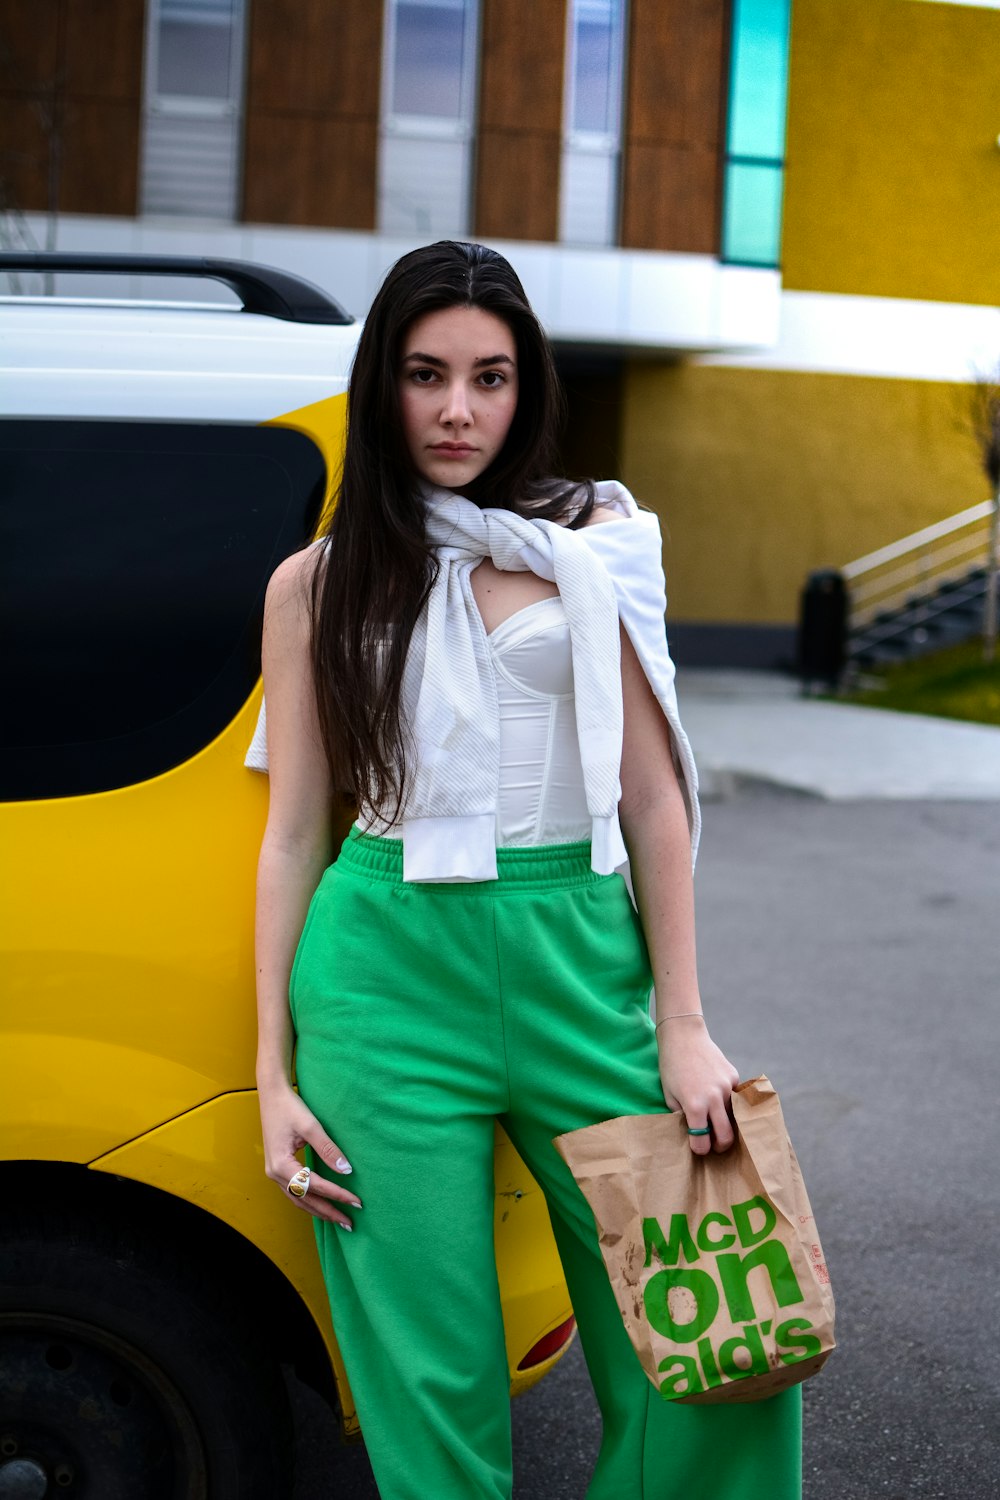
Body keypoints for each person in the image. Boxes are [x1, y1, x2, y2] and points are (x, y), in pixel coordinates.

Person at [250, 240, 801, 1500]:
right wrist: (271, 1072)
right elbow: (293, 834)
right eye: (426, 374)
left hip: (577, 953)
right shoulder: (317, 585)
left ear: (525, 387)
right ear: (379, 387)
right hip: (383, 977)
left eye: (490, 377)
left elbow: (654, 794)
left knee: (711, 1341)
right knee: (431, 1385)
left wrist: (685, 1022)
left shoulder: (591, 544)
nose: (458, 409)